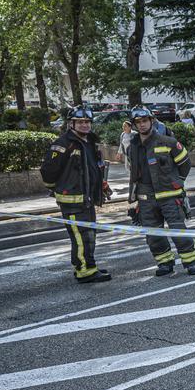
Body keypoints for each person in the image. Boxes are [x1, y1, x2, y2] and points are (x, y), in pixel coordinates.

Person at [39, 107, 113, 283]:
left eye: (87, 122)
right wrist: (57, 189)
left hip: (86, 199)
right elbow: (48, 171)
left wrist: (100, 185)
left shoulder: (88, 142)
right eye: (80, 122)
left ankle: (85, 265)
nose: (85, 125)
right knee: (82, 237)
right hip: (72, 200)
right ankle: (86, 271)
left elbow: (92, 169)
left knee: (88, 235)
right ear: (71, 124)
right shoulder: (64, 144)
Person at [126, 107, 195, 276]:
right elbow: (134, 173)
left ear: (151, 121)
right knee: (153, 234)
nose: (142, 125)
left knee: (178, 230)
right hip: (146, 198)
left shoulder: (168, 142)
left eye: (145, 121)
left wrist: (177, 182)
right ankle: (164, 263)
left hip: (170, 196)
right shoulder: (132, 148)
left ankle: (190, 263)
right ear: (135, 125)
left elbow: (185, 164)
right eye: (139, 122)